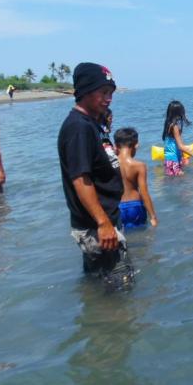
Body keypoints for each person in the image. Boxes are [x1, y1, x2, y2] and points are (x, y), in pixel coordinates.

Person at [57, 62, 131, 281]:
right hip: (96, 226)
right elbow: (80, 179)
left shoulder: (90, 125)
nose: (109, 98)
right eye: (104, 92)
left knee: (102, 285)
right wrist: (103, 222)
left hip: (104, 220)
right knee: (121, 288)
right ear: (85, 92)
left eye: (111, 93)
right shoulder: (78, 127)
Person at [114, 127, 159, 228]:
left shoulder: (110, 164)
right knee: (142, 239)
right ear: (136, 145)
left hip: (117, 207)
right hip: (136, 206)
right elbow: (144, 192)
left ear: (116, 146)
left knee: (122, 239)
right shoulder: (139, 165)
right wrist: (153, 216)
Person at [162, 100, 193, 176]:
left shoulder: (168, 124)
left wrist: (182, 157)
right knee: (187, 182)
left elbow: (174, 145)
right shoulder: (174, 126)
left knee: (178, 182)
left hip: (170, 160)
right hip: (173, 161)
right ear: (178, 113)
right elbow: (180, 146)